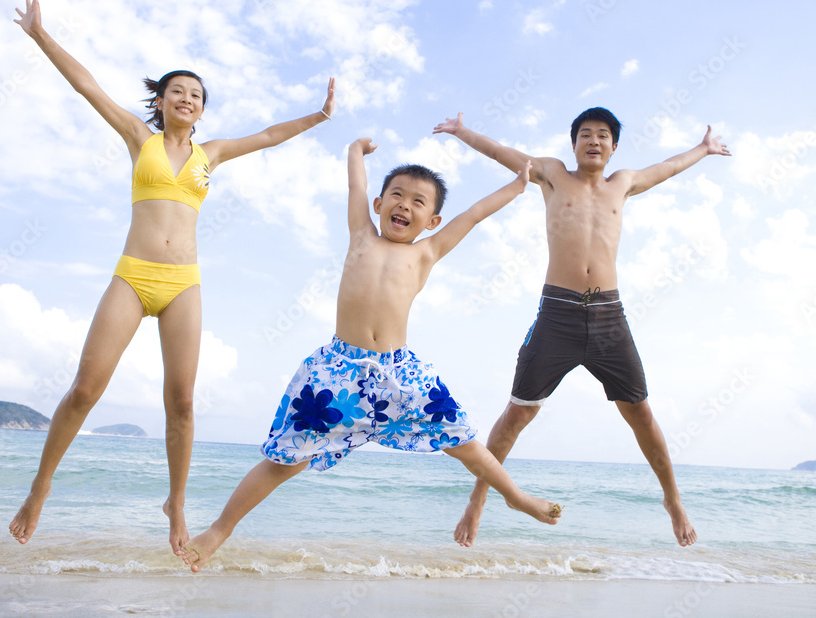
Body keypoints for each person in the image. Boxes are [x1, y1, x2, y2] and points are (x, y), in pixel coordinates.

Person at [7, 0, 334, 555]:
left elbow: (270, 135)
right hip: (133, 277)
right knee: (85, 389)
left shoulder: (213, 153)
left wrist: (320, 117)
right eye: (177, 91)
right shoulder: (141, 138)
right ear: (160, 102)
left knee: (181, 402)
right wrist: (40, 35)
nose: (187, 98)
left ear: (202, 111)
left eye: (197, 95)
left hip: (184, 284)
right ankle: (40, 487)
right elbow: (88, 87)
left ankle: (176, 503)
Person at [179, 138, 562, 572]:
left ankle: (514, 496)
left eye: (418, 202)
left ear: (432, 219)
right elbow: (354, 190)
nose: (404, 205)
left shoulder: (426, 252)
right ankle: (220, 530)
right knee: (284, 461)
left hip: (401, 375)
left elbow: (472, 216)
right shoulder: (360, 234)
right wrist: (355, 154)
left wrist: (516, 187)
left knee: (466, 442)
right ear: (380, 203)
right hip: (338, 373)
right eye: (396, 195)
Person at [433, 108, 731, 548]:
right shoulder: (554, 175)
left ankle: (672, 499)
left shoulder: (623, 182)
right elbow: (503, 153)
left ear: (613, 147)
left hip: (610, 317)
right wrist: (462, 132)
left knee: (641, 413)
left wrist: (703, 150)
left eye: (603, 135)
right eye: (586, 135)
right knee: (518, 413)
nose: (594, 141)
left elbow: (665, 168)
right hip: (557, 314)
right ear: (573, 144)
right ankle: (479, 499)